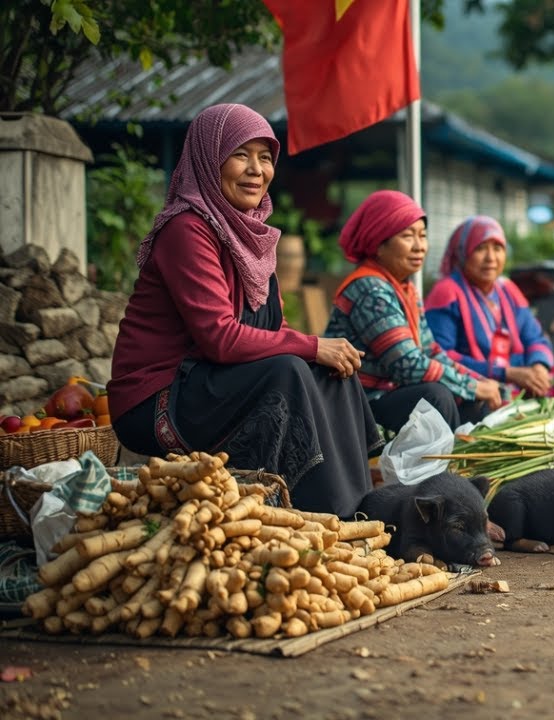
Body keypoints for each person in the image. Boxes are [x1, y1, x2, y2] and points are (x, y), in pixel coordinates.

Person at [107, 103, 381, 518]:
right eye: (240, 155)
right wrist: (309, 346)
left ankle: (358, 504)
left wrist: (316, 352)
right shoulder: (187, 229)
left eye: (265, 157)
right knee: (289, 367)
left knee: (332, 367)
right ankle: (327, 516)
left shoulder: (252, 234)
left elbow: (274, 327)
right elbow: (219, 337)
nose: (256, 169)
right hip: (155, 401)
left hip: (209, 381)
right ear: (208, 159)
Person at [324, 190, 504, 432]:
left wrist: (477, 383)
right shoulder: (369, 288)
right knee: (435, 396)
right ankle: (442, 469)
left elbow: (431, 351)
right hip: (360, 404)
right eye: (408, 236)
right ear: (379, 244)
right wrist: (471, 386)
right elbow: (407, 364)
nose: (420, 246)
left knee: (476, 397)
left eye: (423, 235)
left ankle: (463, 465)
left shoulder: (405, 288)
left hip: (390, 393)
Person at [425, 216, 554, 410]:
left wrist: (539, 367)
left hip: (520, 378)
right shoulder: (447, 291)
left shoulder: (507, 289)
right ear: (463, 253)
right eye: (480, 248)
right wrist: (507, 373)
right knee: (498, 396)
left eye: (498, 248)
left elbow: (535, 337)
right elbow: (441, 356)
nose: (491, 258)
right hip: (480, 384)